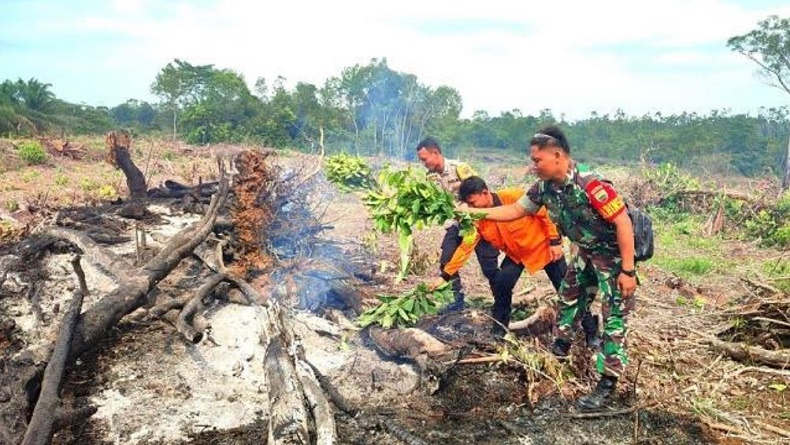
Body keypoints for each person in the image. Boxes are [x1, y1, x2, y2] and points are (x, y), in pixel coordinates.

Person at [457, 125, 637, 411]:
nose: (533, 165)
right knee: (568, 296)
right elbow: (516, 210)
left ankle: (607, 384)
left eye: (537, 160)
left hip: (613, 259)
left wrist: (628, 271)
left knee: (614, 317)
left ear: (557, 155)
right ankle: (562, 345)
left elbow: (623, 223)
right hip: (586, 254)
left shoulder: (591, 185)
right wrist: (475, 212)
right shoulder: (544, 188)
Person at [429, 176, 567, 337]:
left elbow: (547, 215)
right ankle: (499, 332)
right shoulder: (478, 219)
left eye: (473, 203)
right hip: (517, 256)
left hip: (544, 248)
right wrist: (445, 276)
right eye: (469, 205)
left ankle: (589, 332)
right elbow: (466, 247)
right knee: (502, 286)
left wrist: (555, 241)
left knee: (567, 290)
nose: (471, 208)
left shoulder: (514, 197)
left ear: (485, 192)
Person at [416, 137, 499, 313]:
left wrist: (467, 208)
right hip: (456, 223)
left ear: (435, 153)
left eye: (424, 159)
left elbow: (478, 191)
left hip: (477, 221)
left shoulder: (460, 169)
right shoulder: (430, 178)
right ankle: (457, 300)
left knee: (489, 265)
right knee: (447, 259)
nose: (423, 163)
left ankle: (501, 301)